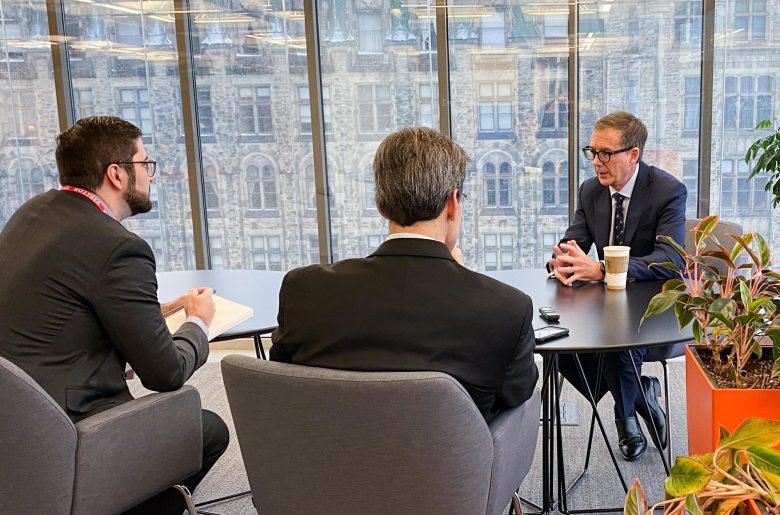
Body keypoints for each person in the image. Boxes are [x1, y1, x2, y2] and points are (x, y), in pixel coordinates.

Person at [0, 116, 228, 514]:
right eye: (145, 163)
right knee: (205, 428)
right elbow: (165, 374)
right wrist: (198, 323)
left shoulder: (32, 213)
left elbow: (60, 304)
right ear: (117, 174)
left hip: (16, 419)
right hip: (67, 429)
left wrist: (148, 313)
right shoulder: (119, 248)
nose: (152, 175)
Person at [270, 127, 538, 422]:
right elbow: (516, 393)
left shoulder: (302, 290)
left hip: (328, 463)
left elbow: (284, 379)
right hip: (450, 467)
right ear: (452, 203)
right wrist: (461, 279)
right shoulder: (506, 309)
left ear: (380, 204)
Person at [547, 111, 686, 461]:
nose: (597, 162)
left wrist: (604, 269)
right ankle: (642, 394)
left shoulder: (668, 191)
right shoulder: (591, 190)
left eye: (606, 153)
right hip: (605, 304)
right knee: (558, 342)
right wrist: (561, 260)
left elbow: (672, 258)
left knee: (617, 345)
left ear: (633, 154)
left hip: (653, 303)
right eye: (592, 152)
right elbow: (575, 239)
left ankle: (625, 419)